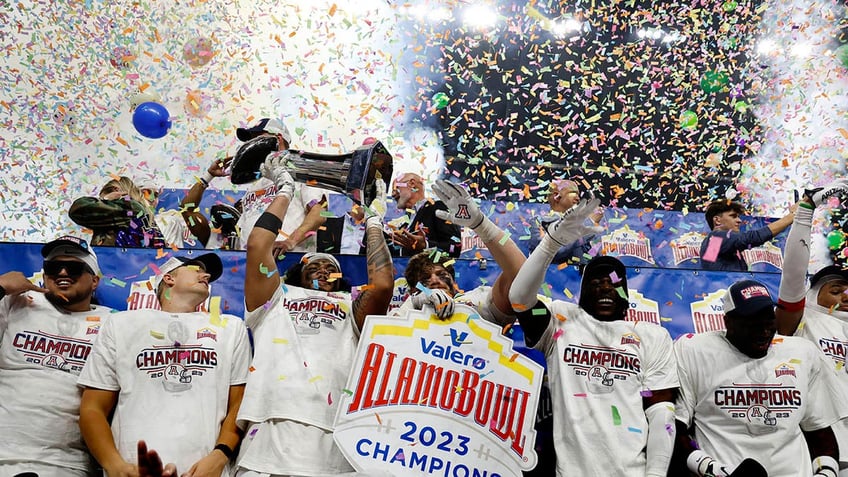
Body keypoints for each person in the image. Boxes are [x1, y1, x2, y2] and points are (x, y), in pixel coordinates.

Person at [234, 154, 394, 476]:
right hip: (267, 443)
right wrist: (285, 189)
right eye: (313, 264)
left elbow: (383, 285)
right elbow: (258, 245)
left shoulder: (350, 303)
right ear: (296, 274)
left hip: (336, 444)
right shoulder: (275, 299)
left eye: (331, 266)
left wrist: (374, 219)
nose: (323, 267)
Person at [508, 199, 679, 476]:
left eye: (613, 283)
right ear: (581, 293)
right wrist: (551, 243)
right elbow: (518, 298)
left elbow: (661, 411)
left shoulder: (651, 335)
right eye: (595, 282)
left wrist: (656, 474)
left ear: (626, 294)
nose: (605, 288)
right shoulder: (561, 319)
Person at [78, 252, 251, 476]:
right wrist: (115, 466)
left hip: (204, 471)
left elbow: (239, 405)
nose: (205, 275)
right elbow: (92, 408)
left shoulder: (231, 328)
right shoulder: (122, 324)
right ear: (169, 278)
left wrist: (219, 456)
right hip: (134, 468)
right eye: (196, 269)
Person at [672, 279, 846, 477]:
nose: (764, 330)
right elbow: (674, 428)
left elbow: (819, 431)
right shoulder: (693, 351)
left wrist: (826, 473)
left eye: (768, 320)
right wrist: (709, 468)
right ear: (728, 322)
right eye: (753, 323)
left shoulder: (801, 353)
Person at [0, 235, 113, 476]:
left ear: (94, 281)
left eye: (73, 267)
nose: (62, 272)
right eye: (52, 267)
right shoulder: (16, 302)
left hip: (66, 464)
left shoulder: (112, 323)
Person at [774, 180, 848, 475]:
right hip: (825, 452)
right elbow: (792, 279)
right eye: (836, 289)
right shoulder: (804, 318)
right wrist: (804, 212)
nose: (845, 295)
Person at [394, 179, 526, 327]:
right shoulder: (406, 311)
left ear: (453, 280)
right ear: (413, 289)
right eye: (425, 278)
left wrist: (481, 225)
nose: (435, 280)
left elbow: (521, 274)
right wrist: (414, 302)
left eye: (441, 274)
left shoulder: (476, 300)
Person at [699, 197, 796, 271]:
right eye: (733, 216)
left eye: (738, 217)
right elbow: (753, 238)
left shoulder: (713, 243)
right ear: (717, 220)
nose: (739, 220)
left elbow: (713, 269)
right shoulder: (716, 238)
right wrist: (792, 216)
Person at [69, 176, 165, 247]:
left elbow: (77, 210)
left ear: (116, 191)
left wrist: (105, 198)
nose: (154, 200)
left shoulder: (129, 207)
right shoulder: (140, 212)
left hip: (116, 266)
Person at [525, 178, 603, 265]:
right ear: (556, 196)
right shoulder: (539, 222)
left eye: (578, 194)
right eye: (573, 193)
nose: (578, 198)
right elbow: (551, 252)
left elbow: (593, 256)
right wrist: (590, 221)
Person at [387, 172, 461, 257]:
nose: (393, 195)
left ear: (412, 184)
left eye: (396, 188)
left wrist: (425, 245)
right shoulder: (406, 223)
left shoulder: (438, 207)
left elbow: (456, 248)